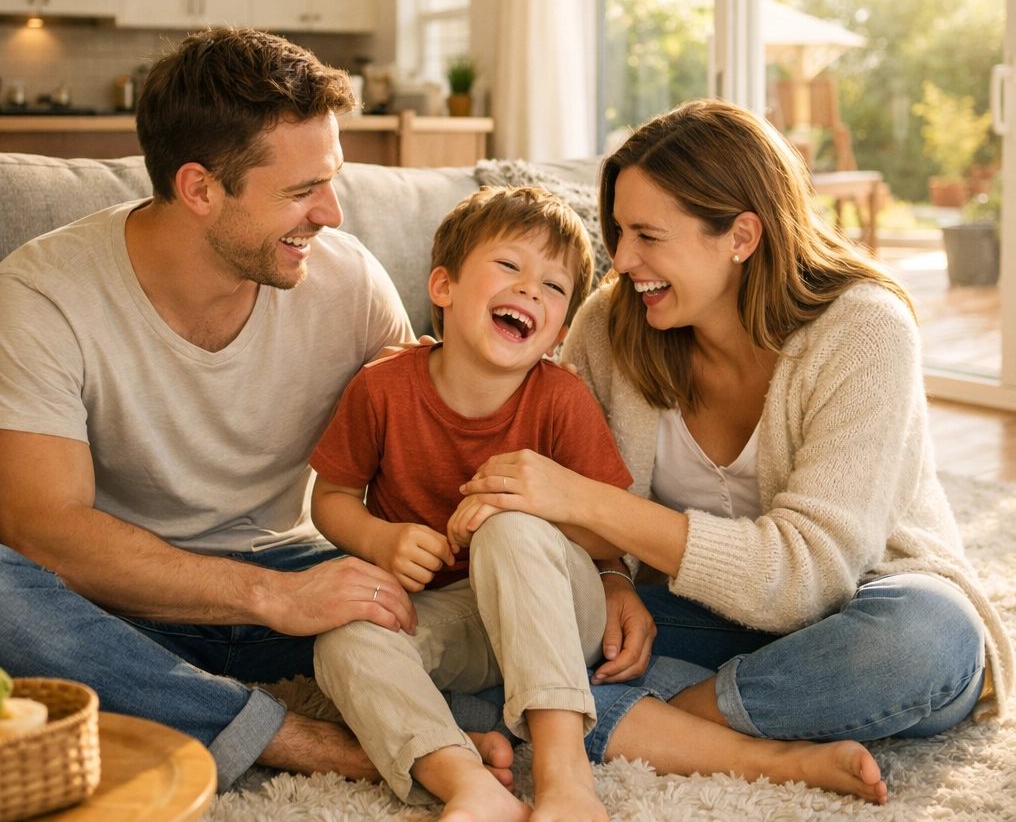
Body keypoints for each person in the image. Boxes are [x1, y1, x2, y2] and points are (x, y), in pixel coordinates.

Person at [0, 28, 514, 792]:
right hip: (124, 603)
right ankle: (304, 739)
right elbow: (45, 528)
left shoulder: (348, 283)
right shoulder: (45, 294)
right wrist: (272, 596)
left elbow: (424, 440)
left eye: (332, 181)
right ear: (201, 189)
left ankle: (229, 709)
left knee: (499, 609)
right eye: (303, 192)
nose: (333, 214)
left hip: (310, 576)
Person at [311, 186, 892, 822]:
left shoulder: (559, 398)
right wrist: (379, 541)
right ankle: (466, 782)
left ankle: (566, 772)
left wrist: (546, 519)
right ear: (443, 287)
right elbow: (332, 500)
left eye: (554, 287)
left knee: (510, 528)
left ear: (560, 329)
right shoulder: (383, 389)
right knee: (343, 638)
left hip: (562, 607)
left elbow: (605, 536)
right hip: (458, 617)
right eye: (508, 267)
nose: (530, 290)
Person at [460, 99, 1016, 762]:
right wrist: (610, 578)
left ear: (741, 237)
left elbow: (807, 577)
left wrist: (591, 503)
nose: (622, 258)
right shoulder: (610, 327)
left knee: (923, 641)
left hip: (857, 609)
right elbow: (553, 494)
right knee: (484, 632)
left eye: (648, 235)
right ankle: (759, 718)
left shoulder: (865, 330)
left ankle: (673, 720)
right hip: (694, 617)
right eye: (617, 230)